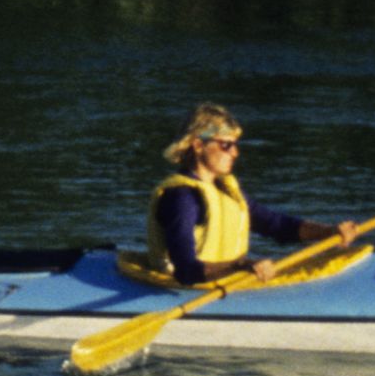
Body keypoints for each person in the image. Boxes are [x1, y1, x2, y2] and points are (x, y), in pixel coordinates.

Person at [145, 104, 360, 285]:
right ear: (199, 145)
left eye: (235, 145)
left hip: (227, 283)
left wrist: (328, 232)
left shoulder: (225, 191)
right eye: (226, 145)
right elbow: (185, 270)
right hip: (189, 288)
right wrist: (241, 266)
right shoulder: (181, 198)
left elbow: (276, 225)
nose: (235, 153)